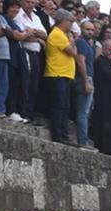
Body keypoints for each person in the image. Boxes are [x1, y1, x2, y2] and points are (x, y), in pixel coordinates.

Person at [43, 8, 75, 143]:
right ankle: (58, 134)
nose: (72, 24)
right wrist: (72, 42)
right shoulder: (57, 34)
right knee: (59, 106)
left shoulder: (62, 34)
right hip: (57, 74)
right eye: (70, 21)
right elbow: (72, 52)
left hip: (64, 74)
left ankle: (64, 134)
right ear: (62, 20)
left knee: (65, 107)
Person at [71, 16, 94, 146]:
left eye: (92, 29)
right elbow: (80, 61)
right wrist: (86, 81)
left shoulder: (86, 43)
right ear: (81, 29)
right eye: (87, 29)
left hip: (85, 78)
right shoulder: (81, 42)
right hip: (84, 79)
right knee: (83, 113)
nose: (90, 32)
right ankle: (83, 142)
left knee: (85, 112)